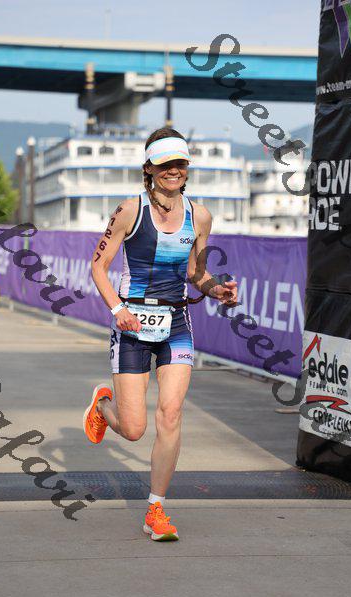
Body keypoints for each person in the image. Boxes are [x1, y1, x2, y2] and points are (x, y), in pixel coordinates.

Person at [83, 127, 237, 541]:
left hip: (176, 324)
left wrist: (217, 290)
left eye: (180, 163)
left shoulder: (199, 216)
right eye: (165, 163)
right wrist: (117, 310)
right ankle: (103, 406)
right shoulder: (129, 211)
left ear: (187, 168)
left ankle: (156, 510)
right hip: (132, 324)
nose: (174, 170)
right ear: (149, 168)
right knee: (133, 429)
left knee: (170, 414)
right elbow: (98, 266)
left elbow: (196, 273)